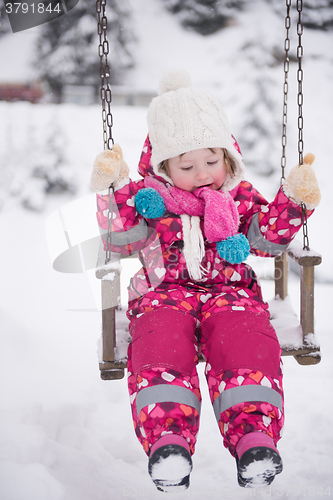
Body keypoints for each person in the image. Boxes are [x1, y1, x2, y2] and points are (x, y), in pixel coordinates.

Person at [91, 69, 321, 491]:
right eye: (187, 165)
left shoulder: (239, 197)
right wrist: (112, 190)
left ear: (228, 156)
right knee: (160, 343)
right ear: (163, 166)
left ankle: (255, 439)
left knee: (246, 340)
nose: (202, 173)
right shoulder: (151, 202)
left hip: (232, 293)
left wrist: (294, 202)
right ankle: (169, 443)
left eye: (212, 161)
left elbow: (266, 242)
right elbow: (122, 239)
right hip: (163, 294)